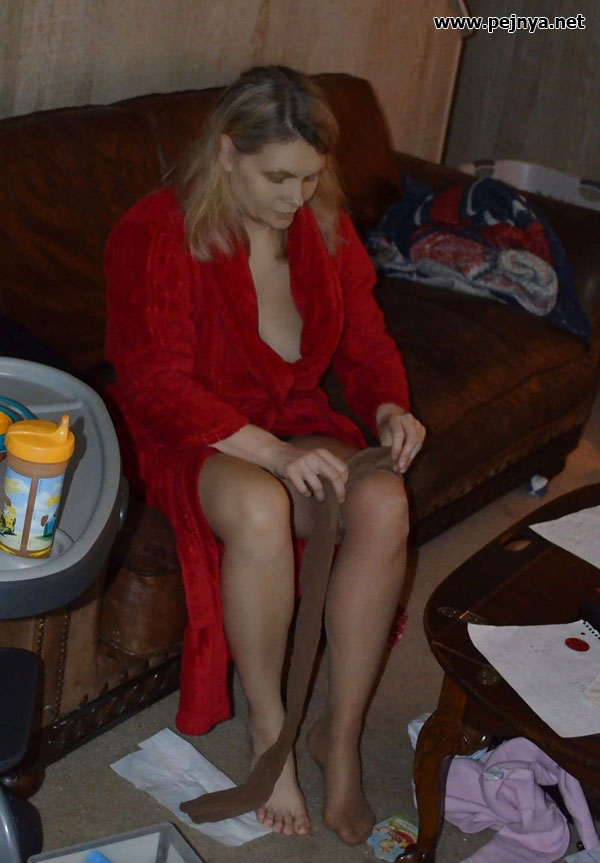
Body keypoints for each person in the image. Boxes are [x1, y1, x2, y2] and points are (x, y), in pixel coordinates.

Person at [104, 65, 425, 845]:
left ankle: (338, 737)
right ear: (226, 152)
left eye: (310, 176)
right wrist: (273, 455)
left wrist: (390, 406)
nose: (295, 197)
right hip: (188, 432)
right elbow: (155, 384)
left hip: (289, 416)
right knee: (259, 502)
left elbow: (364, 338)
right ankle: (269, 731)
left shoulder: (322, 223)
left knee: (384, 501)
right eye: (277, 177)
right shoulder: (156, 231)